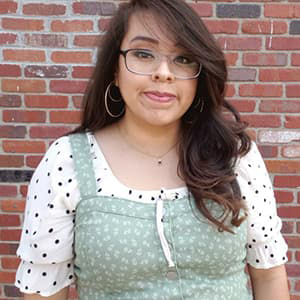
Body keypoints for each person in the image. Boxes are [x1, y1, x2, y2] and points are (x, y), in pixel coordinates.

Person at [15, 0, 290, 299]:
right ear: (115, 72)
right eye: (143, 54)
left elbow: (269, 275)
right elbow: (43, 291)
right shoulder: (67, 162)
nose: (163, 72)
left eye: (183, 59)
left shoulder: (234, 155)